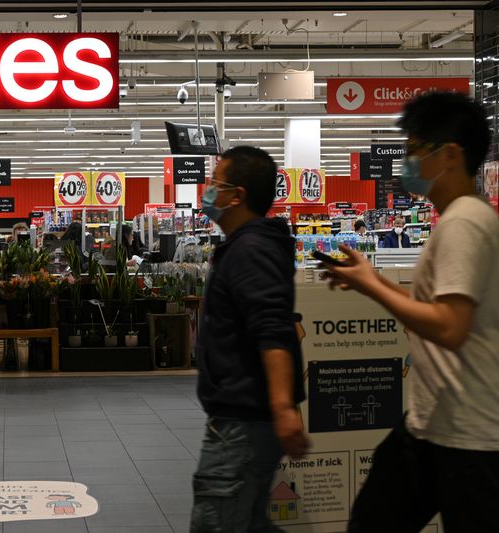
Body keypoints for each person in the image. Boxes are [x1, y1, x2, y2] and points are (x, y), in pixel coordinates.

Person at [322, 92, 499, 533]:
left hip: (469, 436)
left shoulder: (463, 223)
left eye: (415, 150)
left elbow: (451, 327)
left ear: (451, 155)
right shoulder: (460, 219)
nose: (407, 162)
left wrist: (372, 289)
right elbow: (434, 310)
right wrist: (372, 280)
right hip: (432, 425)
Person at [191, 146, 308, 533]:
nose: (207, 191)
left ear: (236, 195)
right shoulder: (247, 246)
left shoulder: (251, 249)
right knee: (250, 521)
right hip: (242, 418)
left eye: (214, 183)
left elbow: (272, 329)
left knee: (218, 523)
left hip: (242, 423)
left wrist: (282, 407)